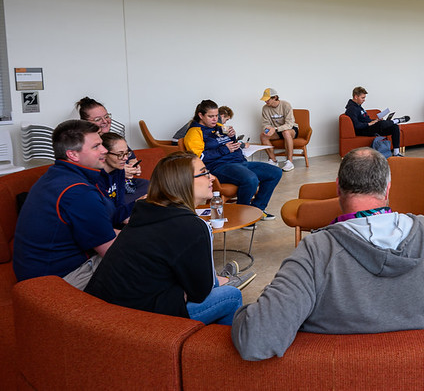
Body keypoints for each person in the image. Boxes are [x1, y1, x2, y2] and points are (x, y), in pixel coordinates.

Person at [230, 147, 424, 360]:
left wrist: (240, 311)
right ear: (387, 189)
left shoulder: (316, 250)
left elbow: (256, 340)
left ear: (338, 188)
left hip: (341, 375)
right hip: (423, 370)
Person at [86, 152, 252, 326]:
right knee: (231, 296)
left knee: (201, 281)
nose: (212, 177)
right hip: (137, 319)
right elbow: (200, 293)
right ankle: (213, 349)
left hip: (104, 308)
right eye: (204, 173)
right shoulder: (192, 226)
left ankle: (218, 280)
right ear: (183, 182)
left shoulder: (144, 209)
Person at [13, 120, 120, 289]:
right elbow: (111, 251)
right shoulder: (78, 192)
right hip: (55, 281)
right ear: (73, 155)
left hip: (33, 273)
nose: (104, 150)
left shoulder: (56, 175)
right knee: (146, 259)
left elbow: (95, 228)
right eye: (96, 146)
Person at [184, 100, 282, 220]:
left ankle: (258, 209)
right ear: (200, 115)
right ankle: (242, 214)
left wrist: (232, 137)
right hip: (218, 167)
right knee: (250, 179)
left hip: (240, 162)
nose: (215, 119)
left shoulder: (219, 127)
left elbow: (230, 144)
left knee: (275, 172)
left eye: (216, 116)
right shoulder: (194, 132)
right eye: (211, 116)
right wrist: (224, 150)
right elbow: (199, 158)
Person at [99, 133, 147, 223]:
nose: (125, 158)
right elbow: (106, 217)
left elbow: (119, 207)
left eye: (127, 153)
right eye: (120, 154)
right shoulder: (96, 178)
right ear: (104, 154)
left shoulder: (119, 171)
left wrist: (137, 203)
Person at [344, 86, 404, 157]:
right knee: (381, 124)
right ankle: (396, 120)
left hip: (369, 127)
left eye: (364, 98)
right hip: (363, 130)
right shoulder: (352, 109)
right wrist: (369, 124)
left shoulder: (358, 106)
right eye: (362, 98)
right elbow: (356, 125)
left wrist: (374, 121)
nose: (364, 100)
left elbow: (364, 119)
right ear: (356, 97)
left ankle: (396, 153)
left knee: (394, 127)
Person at [259, 88, 298, 172]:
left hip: (290, 129)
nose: (265, 101)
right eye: (265, 100)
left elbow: (289, 124)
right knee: (263, 135)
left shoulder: (286, 105)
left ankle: (290, 161)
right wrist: (267, 130)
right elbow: (265, 123)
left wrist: (275, 128)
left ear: (275, 97)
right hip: (276, 130)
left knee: (286, 133)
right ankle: (273, 160)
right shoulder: (265, 108)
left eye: (268, 99)